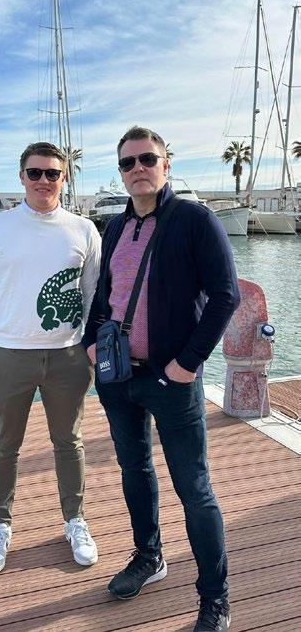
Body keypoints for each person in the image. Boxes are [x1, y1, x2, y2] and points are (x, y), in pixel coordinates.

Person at [83, 126, 240, 632]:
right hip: (118, 377)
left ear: (165, 164)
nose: (137, 169)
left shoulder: (195, 220)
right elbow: (104, 294)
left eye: (147, 159)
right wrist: (91, 342)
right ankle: (149, 557)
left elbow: (226, 296)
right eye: (127, 163)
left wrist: (188, 363)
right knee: (134, 471)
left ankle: (214, 599)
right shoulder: (114, 227)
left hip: (172, 380)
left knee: (194, 489)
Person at [0, 141, 101, 574]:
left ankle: (74, 520)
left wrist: (90, 349)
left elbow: (95, 295)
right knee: (4, 446)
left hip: (68, 357)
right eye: (35, 172)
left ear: (64, 178)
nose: (44, 180)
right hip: (8, 357)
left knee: (69, 442)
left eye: (52, 173)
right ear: (21, 176)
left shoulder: (84, 230)